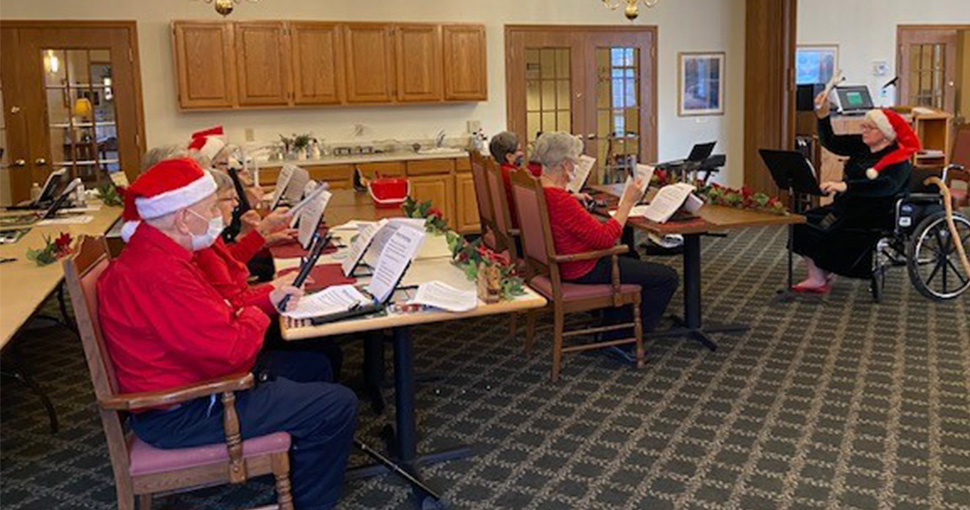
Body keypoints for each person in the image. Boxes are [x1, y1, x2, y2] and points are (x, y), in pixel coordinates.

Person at [98, 158, 356, 510]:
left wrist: (261, 302)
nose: (217, 216)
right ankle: (311, 504)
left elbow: (217, 313)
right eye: (209, 208)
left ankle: (287, 466)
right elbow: (233, 353)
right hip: (184, 411)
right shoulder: (161, 273)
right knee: (337, 405)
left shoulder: (157, 255)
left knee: (313, 366)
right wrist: (254, 313)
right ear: (183, 218)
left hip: (185, 388)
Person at [534, 132, 679, 337]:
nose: (576, 166)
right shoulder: (560, 200)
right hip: (579, 267)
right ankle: (624, 336)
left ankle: (613, 321)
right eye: (575, 162)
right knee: (667, 277)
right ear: (565, 165)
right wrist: (627, 202)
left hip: (559, 263)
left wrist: (573, 199)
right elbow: (606, 239)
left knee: (631, 256)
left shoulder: (538, 188)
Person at [790, 94, 919, 293]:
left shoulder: (899, 159)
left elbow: (886, 186)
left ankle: (820, 275)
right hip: (848, 206)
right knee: (802, 221)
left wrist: (846, 186)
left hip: (875, 212)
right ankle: (819, 273)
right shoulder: (863, 145)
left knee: (823, 228)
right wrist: (823, 116)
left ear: (885, 134)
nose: (863, 130)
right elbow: (831, 142)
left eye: (869, 127)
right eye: (863, 126)